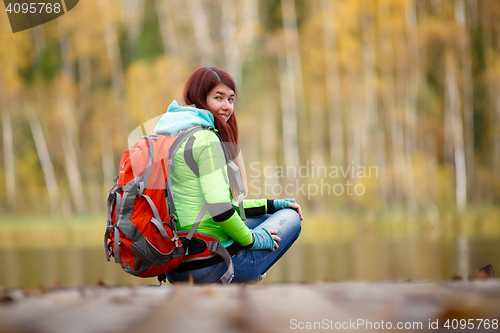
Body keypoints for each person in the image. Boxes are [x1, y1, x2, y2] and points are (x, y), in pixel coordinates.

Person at [154, 66, 302, 283]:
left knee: (274, 215)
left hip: (178, 264)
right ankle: (240, 278)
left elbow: (222, 205)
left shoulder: (176, 136)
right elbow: (220, 209)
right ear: (199, 98)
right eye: (218, 97)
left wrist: (273, 204)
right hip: (209, 267)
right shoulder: (206, 139)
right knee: (292, 218)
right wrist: (253, 240)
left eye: (231, 99)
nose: (227, 107)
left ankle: (242, 278)